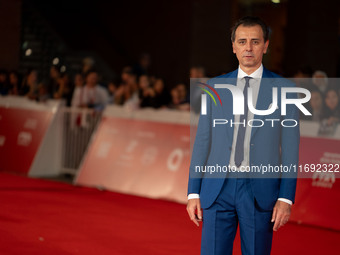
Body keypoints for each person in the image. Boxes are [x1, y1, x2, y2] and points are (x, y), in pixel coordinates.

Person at [186, 16, 300, 255]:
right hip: (217, 187)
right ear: (234, 46)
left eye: (255, 41)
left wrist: (286, 198)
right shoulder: (214, 87)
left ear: (266, 45)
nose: (248, 48)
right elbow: (202, 142)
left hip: (260, 191)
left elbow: (290, 150)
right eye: (242, 41)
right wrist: (193, 191)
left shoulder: (285, 90)